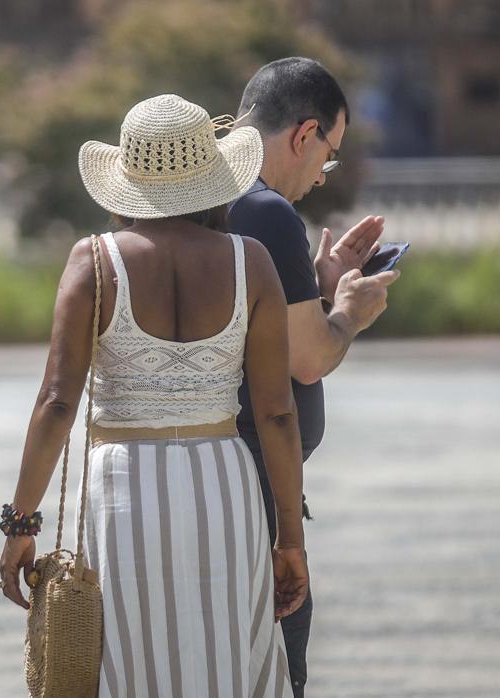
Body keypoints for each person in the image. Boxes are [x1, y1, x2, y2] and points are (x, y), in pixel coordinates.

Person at [0, 94, 309, 697]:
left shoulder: (95, 261)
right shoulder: (253, 262)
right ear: (214, 178)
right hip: (223, 484)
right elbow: (276, 413)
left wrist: (20, 523)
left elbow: (57, 403)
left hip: (123, 486)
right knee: (222, 663)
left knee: (125, 664)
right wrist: (290, 539)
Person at [230, 57, 400, 698]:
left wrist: (320, 288)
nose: (321, 174)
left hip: (190, 479)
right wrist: (350, 314)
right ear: (304, 135)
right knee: (275, 674)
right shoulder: (267, 211)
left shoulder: (197, 197)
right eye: (328, 156)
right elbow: (304, 360)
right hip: (255, 489)